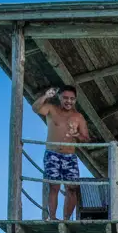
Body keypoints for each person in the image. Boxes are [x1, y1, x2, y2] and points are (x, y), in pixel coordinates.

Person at [31, 85, 90, 221]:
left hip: (70, 156)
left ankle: (66, 219)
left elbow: (86, 138)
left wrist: (77, 134)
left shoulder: (78, 117)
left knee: (72, 189)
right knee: (54, 186)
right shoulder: (52, 109)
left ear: (75, 100)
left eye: (72, 99)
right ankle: (52, 217)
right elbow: (35, 109)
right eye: (65, 98)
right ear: (59, 97)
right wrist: (46, 96)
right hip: (52, 154)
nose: (69, 101)